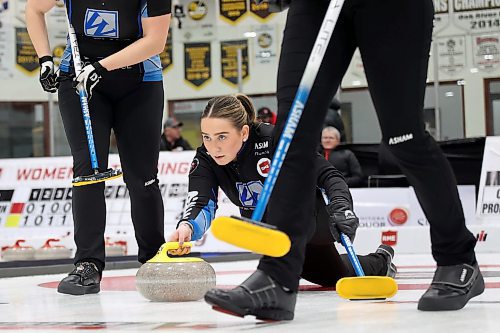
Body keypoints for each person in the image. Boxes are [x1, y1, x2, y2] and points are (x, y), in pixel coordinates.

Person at [206, 0, 484, 320]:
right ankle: (276, 278)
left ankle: (457, 258)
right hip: (316, 6)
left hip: (392, 8)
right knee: (291, 136)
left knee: (403, 137)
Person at [169, 94, 396, 318]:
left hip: (313, 217)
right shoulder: (206, 159)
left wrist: (341, 206)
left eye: (222, 137)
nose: (213, 146)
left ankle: (261, 291)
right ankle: (381, 260)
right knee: (333, 274)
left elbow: (327, 174)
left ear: (244, 132)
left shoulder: (273, 139)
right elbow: (201, 201)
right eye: (206, 137)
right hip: (276, 237)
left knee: (287, 258)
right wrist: (188, 226)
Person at [26, 0, 171, 295]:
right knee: (88, 172)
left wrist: (103, 67)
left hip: (139, 81)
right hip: (79, 79)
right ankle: (88, 264)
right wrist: (44, 59)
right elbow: (33, 8)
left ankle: (154, 258)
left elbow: (155, 40)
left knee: (142, 177)